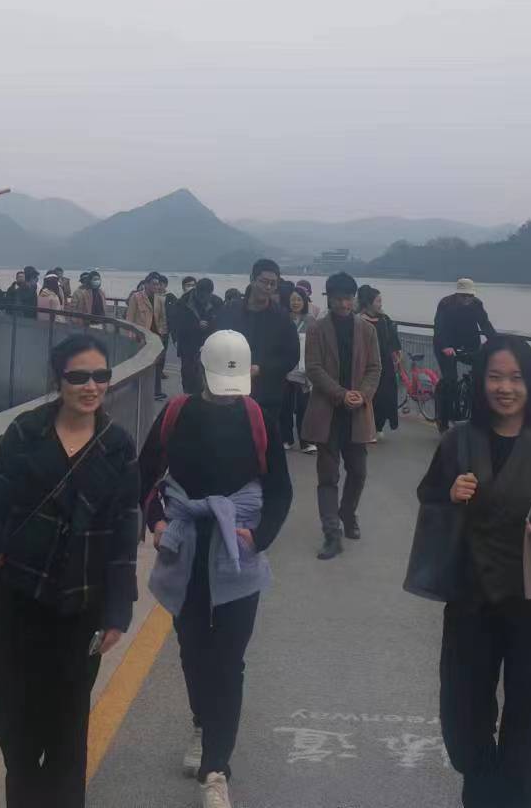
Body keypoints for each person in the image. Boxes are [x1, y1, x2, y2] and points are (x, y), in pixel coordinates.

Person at [0, 334, 140, 808]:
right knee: (12, 717)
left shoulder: (117, 446)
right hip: (21, 596)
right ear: (59, 380)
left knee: (67, 727)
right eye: (79, 376)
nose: (91, 386)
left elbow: (123, 534)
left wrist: (118, 610)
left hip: (83, 604)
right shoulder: (25, 432)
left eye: (100, 376)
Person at [414, 335, 531, 808]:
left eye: (516, 378)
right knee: (463, 717)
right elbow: (428, 497)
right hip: (471, 603)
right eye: (495, 376)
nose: (505, 388)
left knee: (530, 721)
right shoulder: (458, 442)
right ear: (481, 382)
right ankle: (482, 782)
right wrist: (449, 494)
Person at [141, 330, 292, 808]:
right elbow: (144, 476)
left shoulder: (259, 419)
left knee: (228, 659)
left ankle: (216, 768)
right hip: (185, 544)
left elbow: (280, 489)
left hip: (236, 549)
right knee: (192, 648)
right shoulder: (175, 414)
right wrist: (157, 521)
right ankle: (202, 723)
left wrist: (259, 536)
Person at [301, 272, 380, 560]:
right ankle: (331, 534)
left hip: (357, 413)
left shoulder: (367, 330)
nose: (344, 304)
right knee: (328, 476)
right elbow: (313, 368)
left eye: (348, 299)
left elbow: (374, 368)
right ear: (329, 299)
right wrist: (340, 394)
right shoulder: (316, 329)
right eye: (338, 299)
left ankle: (347, 512)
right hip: (327, 412)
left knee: (358, 472)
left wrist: (362, 394)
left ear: (354, 299)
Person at [212, 258, 301, 433]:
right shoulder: (230, 311)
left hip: (267, 396)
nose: (268, 287)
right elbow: (214, 345)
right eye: (263, 281)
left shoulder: (282, 318)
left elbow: (291, 357)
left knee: (263, 443)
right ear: (252, 279)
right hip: (228, 394)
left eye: (273, 284)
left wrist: (261, 369)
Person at [433, 278, 497, 433]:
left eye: (470, 296)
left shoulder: (477, 304)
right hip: (446, 345)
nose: (467, 299)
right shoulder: (445, 304)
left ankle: (475, 413)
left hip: (469, 344)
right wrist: (446, 346)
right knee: (450, 381)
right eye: (464, 296)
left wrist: (497, 343)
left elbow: (485, 324)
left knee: (480, 377)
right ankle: (443, 420)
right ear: (457, 294)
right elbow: (439, 327)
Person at [359, 285, 403, 439]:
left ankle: (378, 425)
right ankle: (367, 427)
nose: (380, 304)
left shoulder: (384, 319)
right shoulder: (360, 320)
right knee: (371, 394)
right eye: (378, 301)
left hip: (385, 363)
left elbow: (393, 338)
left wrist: (397, 352)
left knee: (386, 395)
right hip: (367, 364)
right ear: (369, 302)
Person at [280, 287, 317, 453]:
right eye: (293, 299)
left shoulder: (311, 321)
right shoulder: (283, 319)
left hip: (304, 371)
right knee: (285, 407)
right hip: (285, 370)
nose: (295, 303)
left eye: (299, 299)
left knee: (304, 407)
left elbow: (317, 346)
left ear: (304, 301)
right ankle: (286, 438)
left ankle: (306, 442)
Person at [126, 272, 170, 399]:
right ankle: (136, 389)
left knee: (156, 364)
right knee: (140, 363)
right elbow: (130, 317)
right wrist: (131, 335)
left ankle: (156, 391)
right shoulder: (136, 297)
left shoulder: (160, 299)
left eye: (158, 284)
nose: (156, 286)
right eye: (153, 284)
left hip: (155, 337)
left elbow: (162, 318)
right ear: (146, 284)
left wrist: (162, 333)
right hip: (141, 336)